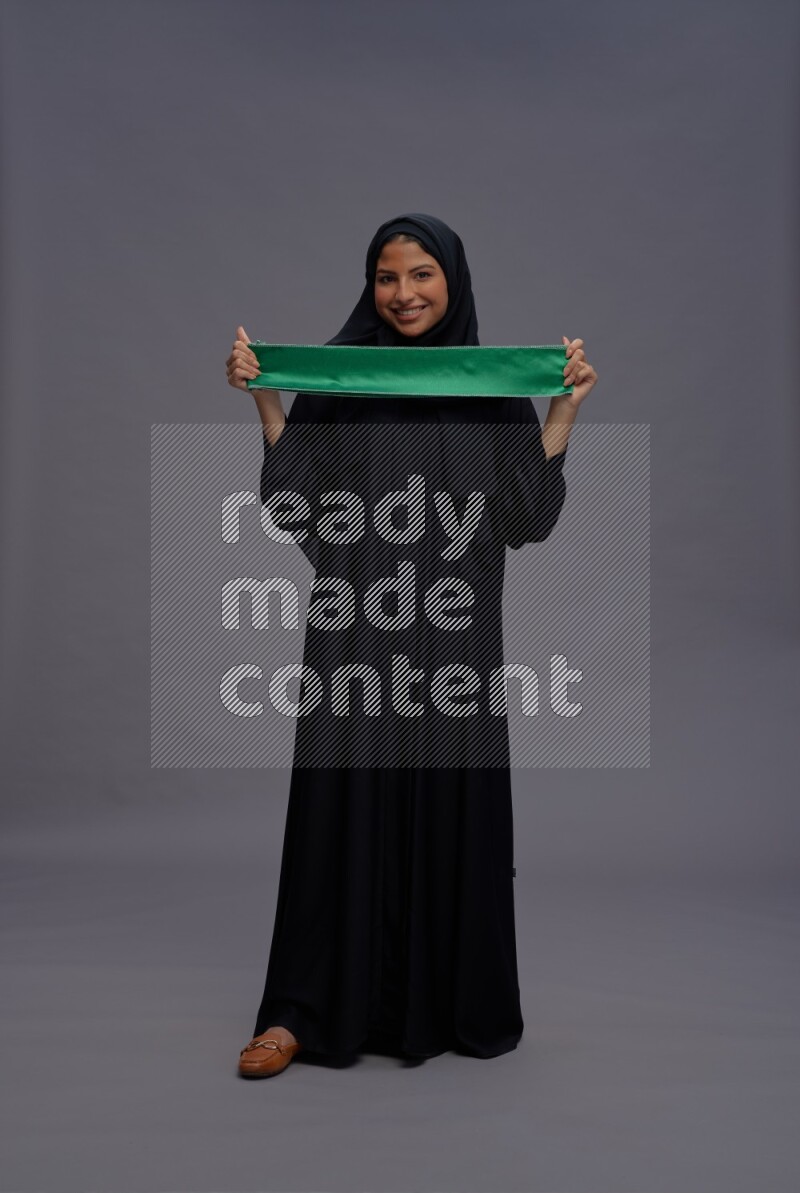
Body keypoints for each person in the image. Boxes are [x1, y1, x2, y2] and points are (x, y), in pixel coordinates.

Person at [225, 212, 598, 1078]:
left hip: (457, 646)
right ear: (371, 285)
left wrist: (562, 411)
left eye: (422, 274)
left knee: (449, 810)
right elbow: (293, 505)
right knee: (337, 816)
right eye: (388, 277)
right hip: (353, 638)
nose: (404, 294)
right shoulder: (339, 380)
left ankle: (441, 1005)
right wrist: (266, 397)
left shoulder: (493, 388)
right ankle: (297, 1011)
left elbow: (525, 517)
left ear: (452, 281)